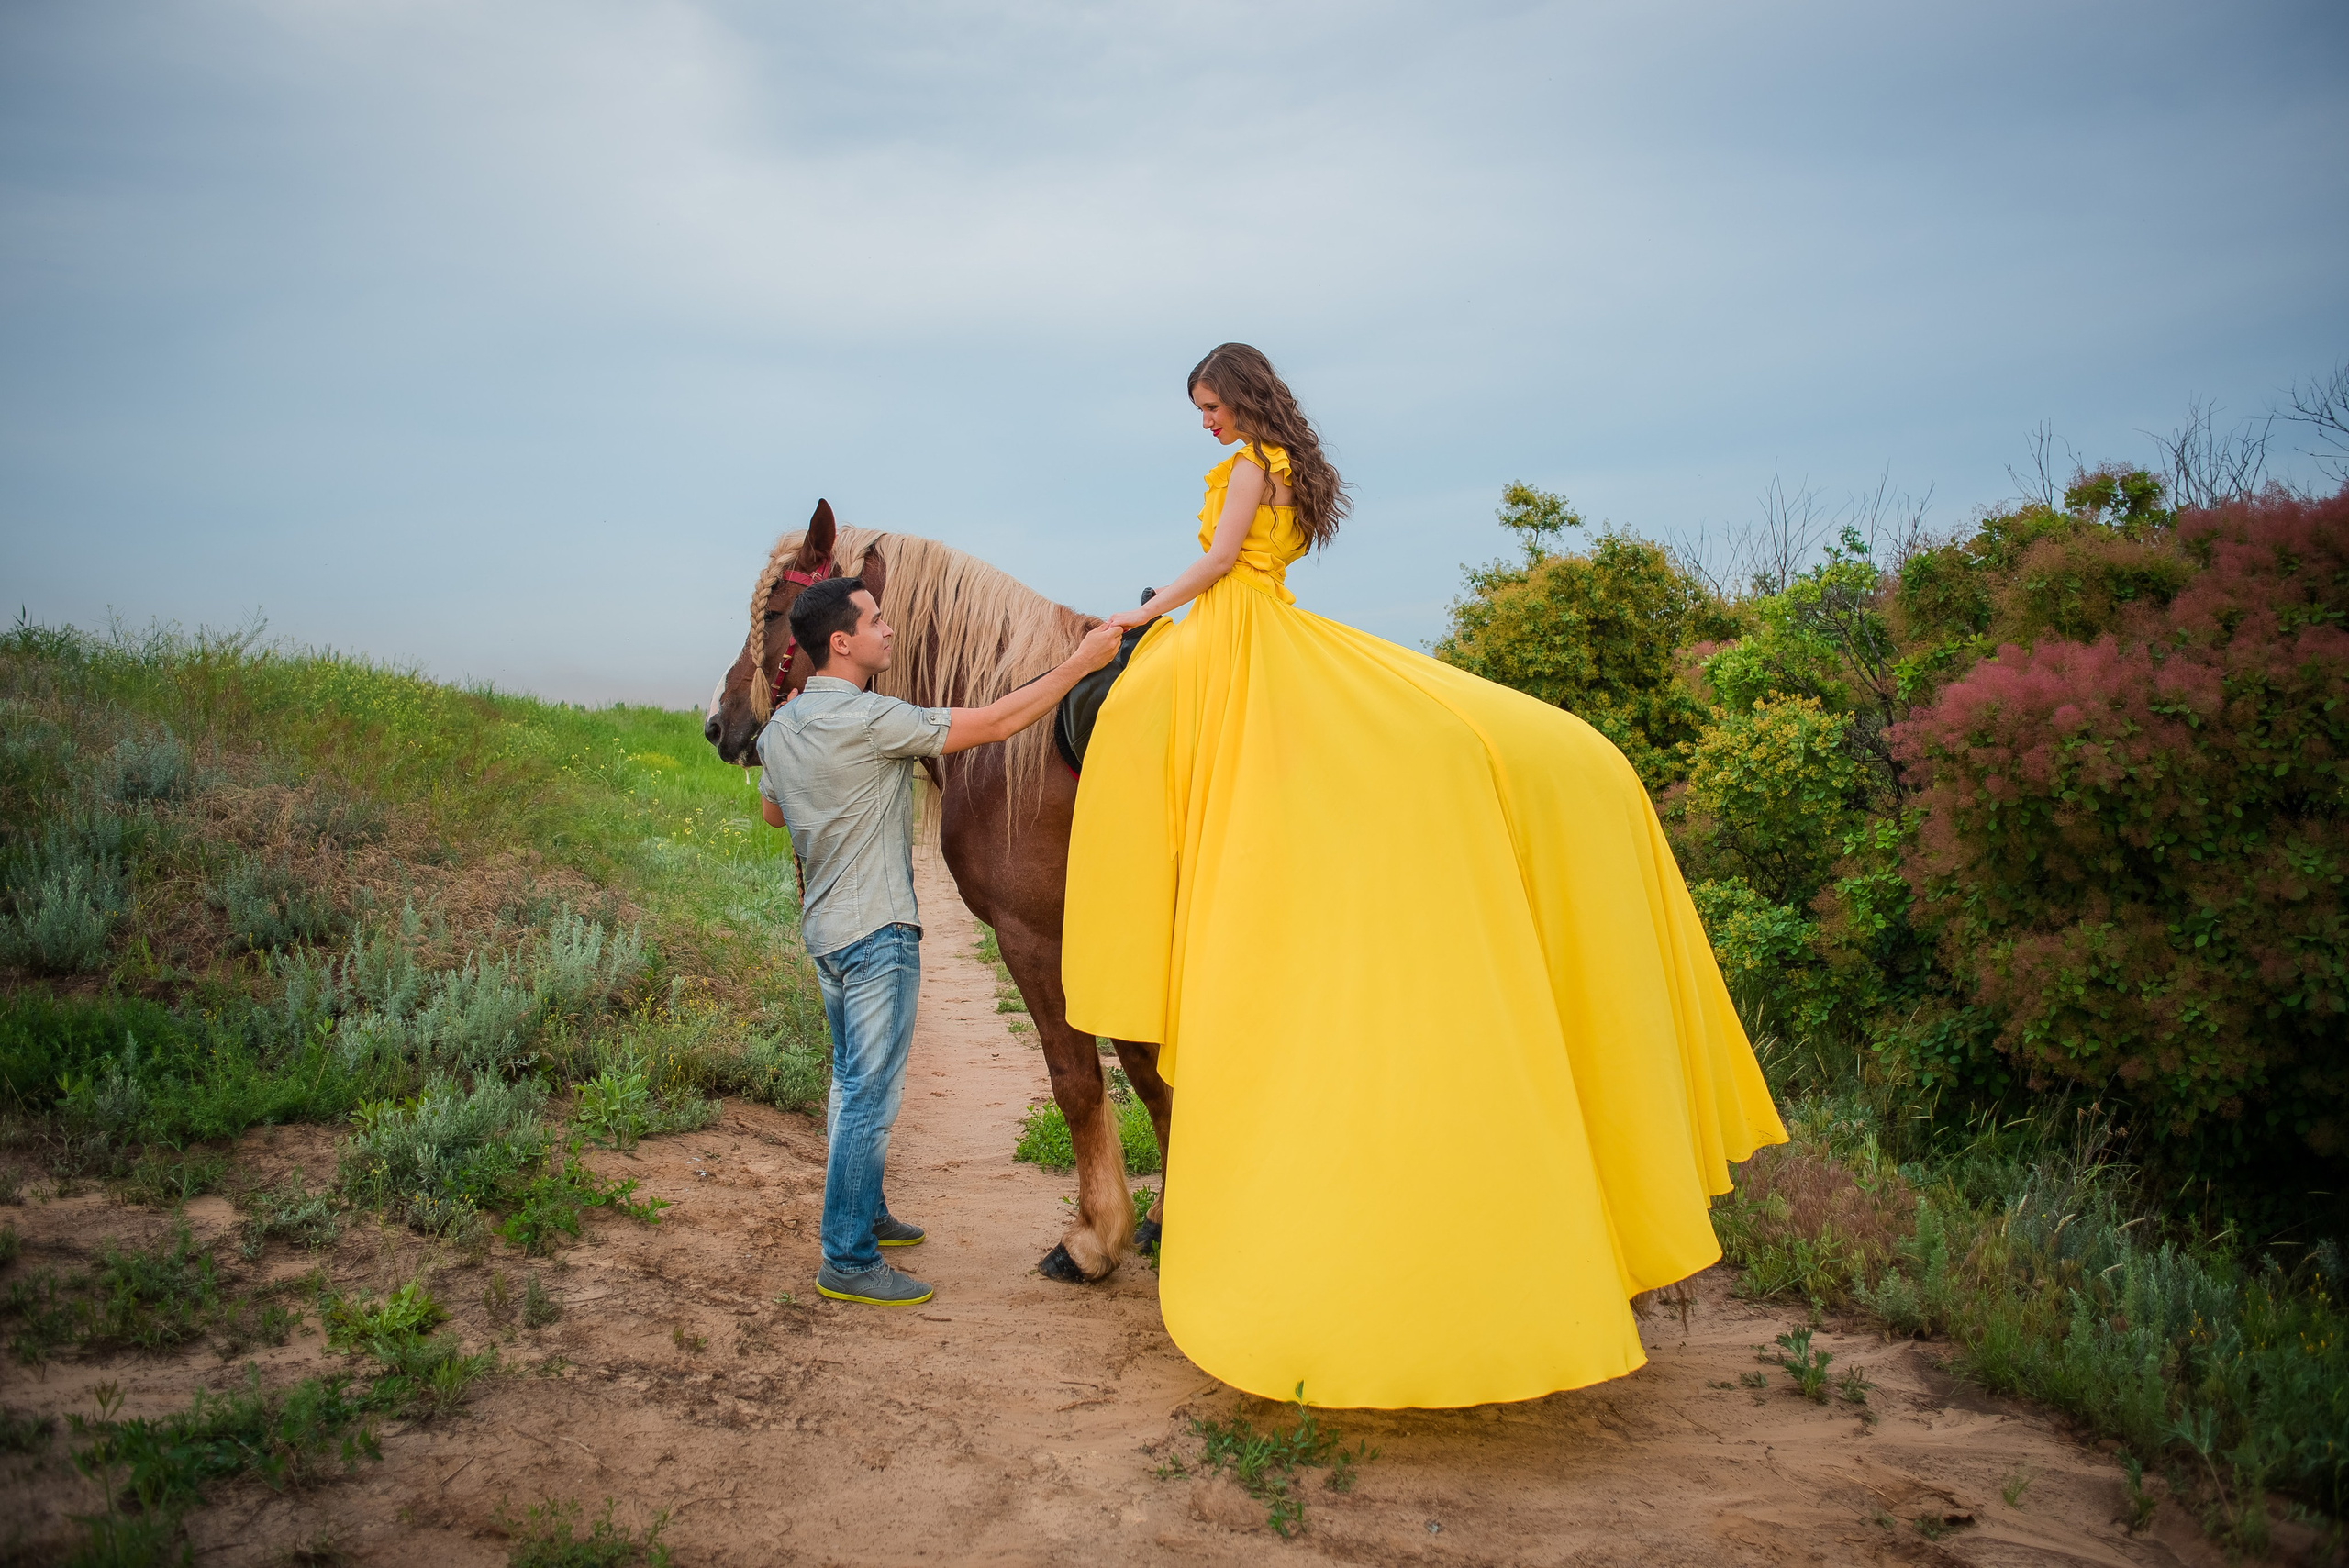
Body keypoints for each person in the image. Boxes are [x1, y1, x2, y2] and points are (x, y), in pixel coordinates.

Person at [1062, 343, 1788, 1407]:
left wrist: (1135, 614)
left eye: (1212, 404)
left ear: (1244, 398)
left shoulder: (1252, 462)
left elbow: (1221, 565)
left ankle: (1158, 922)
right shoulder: (1286, 460)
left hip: (1234, 637)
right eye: (1201, 412)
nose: (1205, 423)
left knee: (1127, 721)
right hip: (1262, 628)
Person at [760, 575, 1123, 1307]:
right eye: (876, 620)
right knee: (872, 1093)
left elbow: (774, 813)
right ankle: (848, 1256)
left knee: (848, 1084)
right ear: (841, 641)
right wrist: (1081, 664)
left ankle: (865, 1213)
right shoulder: (874, 719)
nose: (890, 630)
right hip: (878, 934)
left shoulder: (781, 729)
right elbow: (993, 724)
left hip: (825, 935)